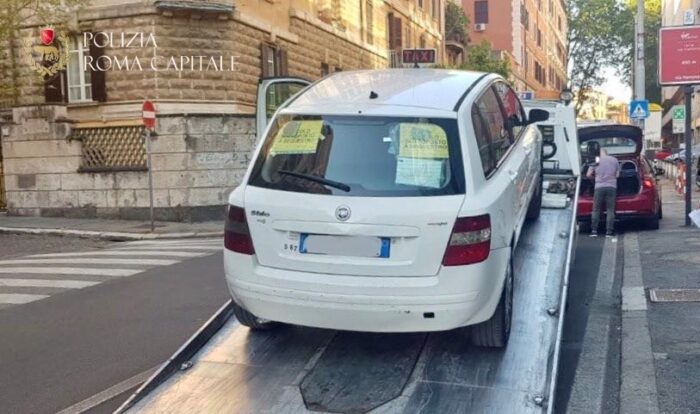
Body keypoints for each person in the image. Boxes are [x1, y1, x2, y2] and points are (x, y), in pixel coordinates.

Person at [587, 148, 619, 237]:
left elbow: (588, 175)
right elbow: (617, 175)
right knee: (610, 210)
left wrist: (595, 180)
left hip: (599, 187)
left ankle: (594, 231)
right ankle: (609, 232)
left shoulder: (596, 160)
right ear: (606, 153)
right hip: (611, 187)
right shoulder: (614, 160)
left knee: (596, 210)